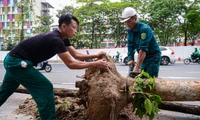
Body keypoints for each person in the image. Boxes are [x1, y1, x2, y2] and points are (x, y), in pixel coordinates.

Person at [0, 14, 108, 120]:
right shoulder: (55, 39)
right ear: (64, 27)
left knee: (5, 91)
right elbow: (71, 64)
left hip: (12, 61)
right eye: (74, 27)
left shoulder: (63, 38)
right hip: (16, 63)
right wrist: (96, 64)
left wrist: (96, 55)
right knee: (45, 87)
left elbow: (76, 55)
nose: (76, 31)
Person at [120, 7, 161, 78]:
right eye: (125, 22)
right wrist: (131, 59)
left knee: (149, 78)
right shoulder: (130, 30)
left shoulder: (144, 29)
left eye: (128, 21)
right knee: (141, 77)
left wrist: (137, 66)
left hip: (153, 56)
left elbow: (143, 49)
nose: (127, 24)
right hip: (143, 57)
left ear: (135, 18)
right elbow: (130, 45)